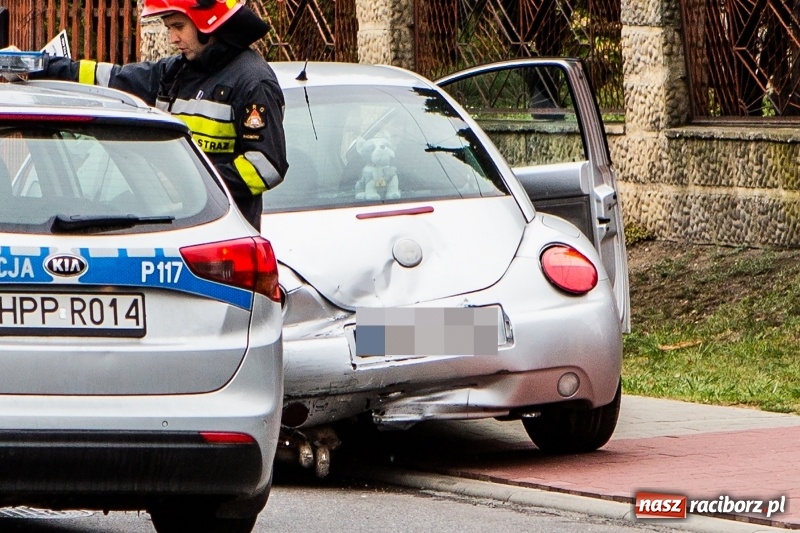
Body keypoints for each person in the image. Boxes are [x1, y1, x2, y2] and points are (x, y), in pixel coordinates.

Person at [39, 0, 288, 231]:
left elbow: (266, 167)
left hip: (221, 236)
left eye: (178, 26)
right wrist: (44, 67)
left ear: (208, 22)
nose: (172, 38)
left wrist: (193, 185)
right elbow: (110, 78)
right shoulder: (175, 73)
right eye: (168, 28)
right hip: (172, 229)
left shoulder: (253, 81)